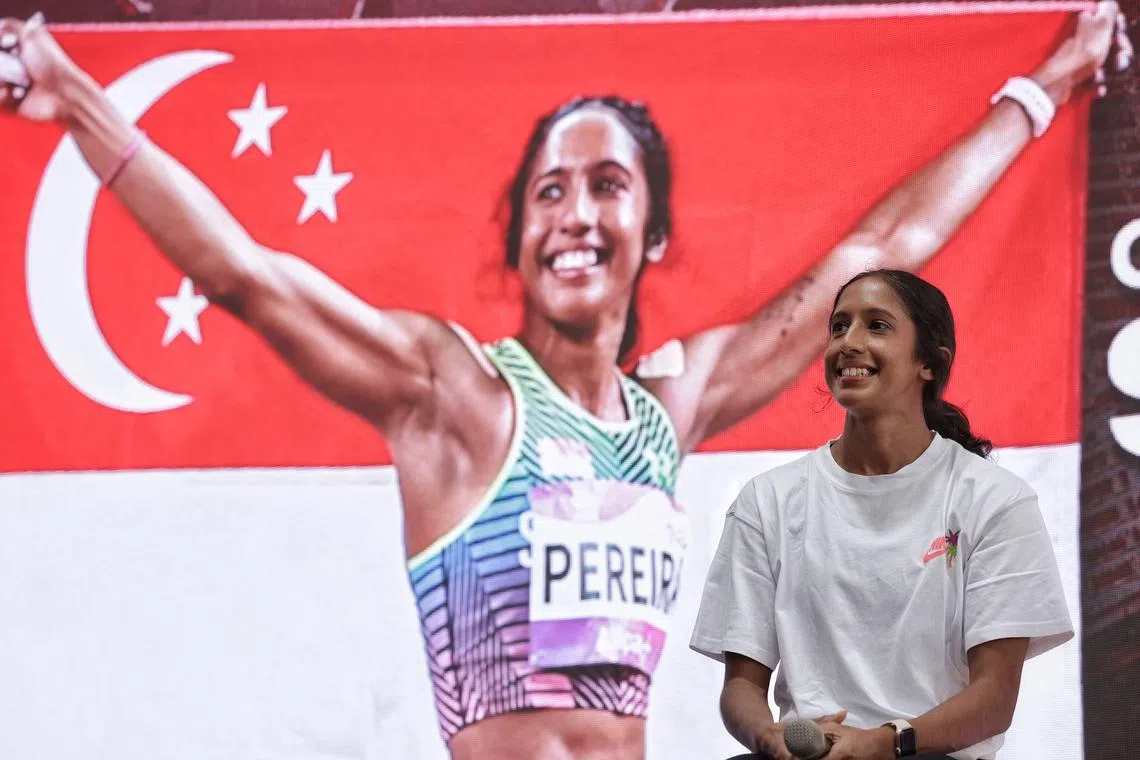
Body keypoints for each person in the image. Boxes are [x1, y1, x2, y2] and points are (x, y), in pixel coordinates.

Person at [0, 6, 1128, 759]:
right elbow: (246, 276)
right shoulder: (455, 395)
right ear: (521, 235)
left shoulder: (668, 413)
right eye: (548, 191)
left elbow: (884, 244)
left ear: (653, 231)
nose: (576, 213)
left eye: (605, 186)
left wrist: (1047, 79)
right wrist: (77, 99)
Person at [689, 270, 1076, 760]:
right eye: (838, 327)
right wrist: (767, 738)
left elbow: (994, 700)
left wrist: (886, 742)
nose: (848, 343)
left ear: (929, 365)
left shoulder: (995, 500)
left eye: (876, 326)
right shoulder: (766, 500)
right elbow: (741, 688)